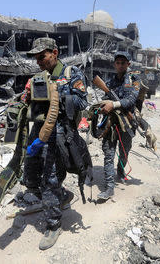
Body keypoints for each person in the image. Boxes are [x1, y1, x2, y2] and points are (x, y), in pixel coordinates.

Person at [22, 37, 88, 250]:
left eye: (43, 56)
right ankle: (61, 195)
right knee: (30, 177)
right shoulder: (37, 77)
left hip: (59, 135)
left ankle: (53, 224)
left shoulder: (71, 74)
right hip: (38, 133)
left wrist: (56, 94)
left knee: (49, 179)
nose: (39, 62)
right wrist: (27, 96)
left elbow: (82, 101)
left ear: (55, 53)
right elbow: (26, 101)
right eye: (37, 59)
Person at [97, 51, 139, 201]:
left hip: (127, 122)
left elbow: (131, 99)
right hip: (112, 121)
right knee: (108, 153)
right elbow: (103, 97)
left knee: (124, 151)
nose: (120, 65)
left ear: (128, 64)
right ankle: (109, 187)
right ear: (115, 64)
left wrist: (113, 104)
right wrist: (102, 105)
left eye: (123, 62)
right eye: (118, 62)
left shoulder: (134, 79)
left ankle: (120, 171)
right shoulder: (109, 82)